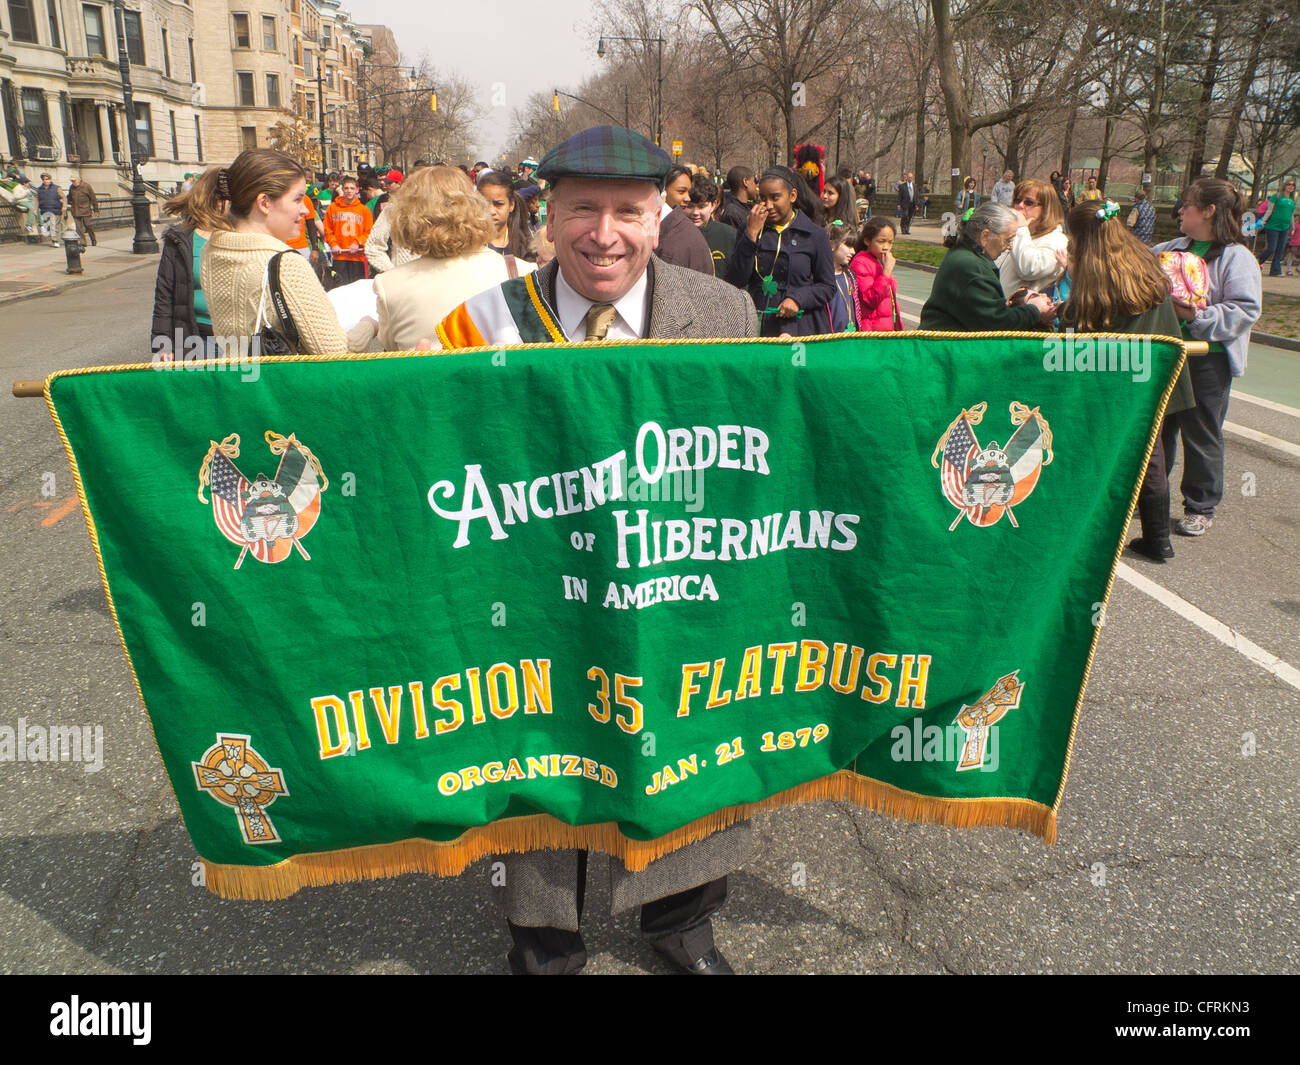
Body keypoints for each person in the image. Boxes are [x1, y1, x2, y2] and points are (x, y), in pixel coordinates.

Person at [435, 126, 756, 976]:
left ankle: (681, 923)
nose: (603, 233)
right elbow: (440, 461)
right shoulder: (480, 323)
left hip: (676, 579)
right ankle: (544, 941)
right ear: (546, 216)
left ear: (660, 217)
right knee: (535, 756)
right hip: (535, 592)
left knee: (689, 748)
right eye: (582, 209)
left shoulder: (723, 314)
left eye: (626, 211)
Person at [1060, 201, 1191, 563]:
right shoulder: (1145, 260)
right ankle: (1158, 537)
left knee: (1098, 457)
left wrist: (1057, 314)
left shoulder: (1095, 273)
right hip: (1156, 375)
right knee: (1152, 457)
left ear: (1081, 236)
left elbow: (1079, 327)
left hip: (1114, 382)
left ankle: (1091, 535)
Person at [1152, 176, 1261, 537]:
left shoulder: (1237, 257)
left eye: (1188, 204)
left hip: (1207, 361)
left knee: (1201, 434)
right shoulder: (1171, 248)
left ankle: (1200, 506)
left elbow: (1245, 310)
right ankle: (1152, 496)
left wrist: (1194, 316)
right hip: (1168, 354)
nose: (1181, 210)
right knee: (1158, 429)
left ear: (1209, 211)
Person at [199, 149, 376, 354]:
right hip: (283, 382)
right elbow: (335, 353)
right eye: (297, 199)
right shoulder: (286, 264)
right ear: (264, 203)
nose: (306, 210)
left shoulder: (211, 250)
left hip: (240, 376)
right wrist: (369, 324)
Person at [374, 166, 531, 351]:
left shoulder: (389, 285)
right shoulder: (520, 272)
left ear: (406, 216)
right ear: (475, 207)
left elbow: (392, 351)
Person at [727, 166, 836, 336]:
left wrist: (798, 299)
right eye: (763, 198)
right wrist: (751, 236)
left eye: (775, 197)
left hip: (799, 326)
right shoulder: (749, 227)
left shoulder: (815, 235)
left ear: (792, 196)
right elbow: (735, 279)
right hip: (759, 324)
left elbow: (827, 286)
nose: (768, 205)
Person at [919, 202, 1056, 330]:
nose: (1009, 246)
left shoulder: (964, 255)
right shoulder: (971, 267)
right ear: (985, 236)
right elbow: (996, 323)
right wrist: (1034, 310)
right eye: (1007, 240)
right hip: (945, 349)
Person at [151, 166, 227, 360]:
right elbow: (165, 294)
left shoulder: (243, 235)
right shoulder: (180, 239)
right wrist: (163, 342)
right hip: (197, 338)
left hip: (239, 338)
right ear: (214, 200)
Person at [999, 178, 1068, 297]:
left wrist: (1021, 229)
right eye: (1017, 200)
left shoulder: (1057, 240)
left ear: (1046, 209)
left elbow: (1028, 268)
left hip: (1021, 312)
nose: (1020, 206)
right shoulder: (1018, 233)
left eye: (1029, 202)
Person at [848, 217, 902, 331]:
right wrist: (887, 271)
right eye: (881, 241)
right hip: (872, 329)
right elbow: (870, 299)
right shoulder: (860, 262)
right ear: (867, 241)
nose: (886, 247)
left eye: (890, 242)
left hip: (886, 328)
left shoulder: (881, 260)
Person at [682, 172, 736, 280]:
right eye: (690, 206)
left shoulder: (729, 236)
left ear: (714, 205)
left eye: (702, 206)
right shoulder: (674, 235)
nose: (695, 212)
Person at [322, 176, 374, 287]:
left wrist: (357, 242)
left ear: (357, 190)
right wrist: (333, 244)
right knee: (340, 288)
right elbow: (327, 229)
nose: (349, 191)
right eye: (346, 188)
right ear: (342, 189)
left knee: (358, 288)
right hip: (340, 255)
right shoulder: (333, 208)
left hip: (357, 256)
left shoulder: (364, 210)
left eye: (351, 188)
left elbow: (368, 231)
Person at [477, 169, 534, 262]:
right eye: (484, 204)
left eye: (498, 204)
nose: (491, 211)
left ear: (511, 205)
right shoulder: (470, 246)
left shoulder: (525, 245)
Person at [1255, 177, 1296, 277]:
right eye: (1289, 184)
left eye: (1293, 185)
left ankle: (1275, 271)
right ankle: (1256, 260)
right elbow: (1269, 211)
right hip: (1273, 226)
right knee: (1271, 248)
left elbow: (1291, 215)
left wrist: (1293, 227)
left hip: (1284, 227)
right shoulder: (1277, 196)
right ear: (1285, 186)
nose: (1291, 186)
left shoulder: (1292, 201)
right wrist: (1262, 222)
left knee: (1280, 249)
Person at [827, 221, 858, 330]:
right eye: (848, 245)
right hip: (829, 340)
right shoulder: (820, 278)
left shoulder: (849, 276)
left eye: (853, 247)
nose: (853, 251)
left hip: (849, 338)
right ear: (831, 245)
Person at [719, 165, 757, 230]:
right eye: (754, 182)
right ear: (745, 182)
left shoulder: (749, 207)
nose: (756, 186)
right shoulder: (732, 213)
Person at [67, 175, 99, 246]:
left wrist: (96, 210)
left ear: (79, 180)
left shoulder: (86, 186)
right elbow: (69, 198)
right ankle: (82, 242)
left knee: (88, 226)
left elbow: (93, 198)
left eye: (74, 181)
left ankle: (93, 239)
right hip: (75, 210)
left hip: (86, 210)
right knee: (78, 228)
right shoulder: (71, 187)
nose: (73, 182)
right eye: (72, 181)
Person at [35, 173, 63, 245]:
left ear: (50, 179)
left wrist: (64, 206)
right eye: (43, 179)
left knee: (54, 225)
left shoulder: (57, 188)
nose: (45, 181)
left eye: (47, 179)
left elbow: (64, 197)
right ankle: (55, 239)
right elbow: (36, 200)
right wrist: (35, 209)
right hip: (45, 210)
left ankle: (55, 240)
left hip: (55, 209)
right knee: (50, 226)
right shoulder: (39, 189)